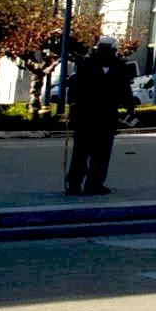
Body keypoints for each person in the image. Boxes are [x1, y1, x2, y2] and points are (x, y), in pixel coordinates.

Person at [65, 38, 137, 196]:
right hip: (86, 116)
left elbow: (124, 90)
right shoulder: (86, 65)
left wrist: (130, 106)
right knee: (84, 153)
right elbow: (75, 89)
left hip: (106, 117)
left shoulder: (118, 67)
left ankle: (92, 184)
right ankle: (76, 184)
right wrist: (73, 108)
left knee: (98, 153)